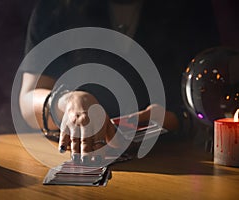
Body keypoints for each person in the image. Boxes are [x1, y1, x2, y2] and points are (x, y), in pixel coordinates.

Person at [19, 0, 220, 164]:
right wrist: (65, 102)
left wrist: (172, 120)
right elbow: (28, 101)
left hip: (174, 161)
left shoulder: (193, 8)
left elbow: (214, 98)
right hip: (81, 157)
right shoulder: (56, 6)